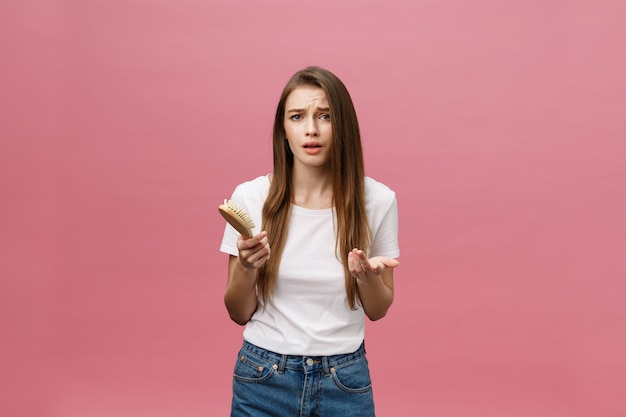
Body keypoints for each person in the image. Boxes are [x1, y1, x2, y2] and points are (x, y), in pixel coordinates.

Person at [219, 66, 400, 417]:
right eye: (298, 116)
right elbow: (237, 312)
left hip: (344, 380)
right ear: (283, 129)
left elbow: (378, 310)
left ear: (342, 125)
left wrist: (366, 278)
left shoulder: (377, 200)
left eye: (325, 116)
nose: (311, 129)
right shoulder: (251, 196)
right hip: (263, 377)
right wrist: (245, 266)